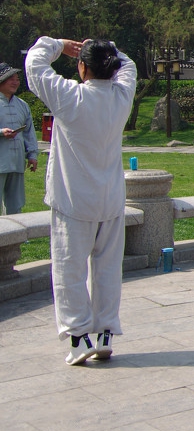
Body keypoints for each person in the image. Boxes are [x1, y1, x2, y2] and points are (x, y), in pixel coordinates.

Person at [25, 38, 135, 366]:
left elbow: (34, 65)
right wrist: (112, 47)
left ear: (82, 67)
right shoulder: (121, 96)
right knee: (107, 270)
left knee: (69, 269)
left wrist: (57, 44)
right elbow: (129, 66)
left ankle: (78, 337)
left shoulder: (69, 97)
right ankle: (104, 333)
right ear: (112, 67)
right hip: (111, 200)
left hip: (73, 200)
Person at [0, 62, 38, 213]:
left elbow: (29, 133)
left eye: (17, 79)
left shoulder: (22, 105)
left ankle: (17, 236)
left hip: (16, 163)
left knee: (16, 204)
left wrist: (33, 155)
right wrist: (2, 132)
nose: (15, 82)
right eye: (11, 79)